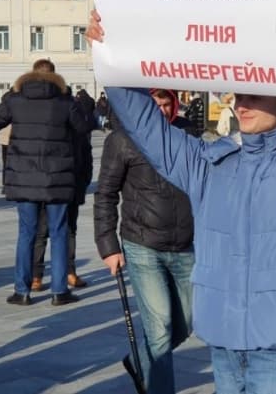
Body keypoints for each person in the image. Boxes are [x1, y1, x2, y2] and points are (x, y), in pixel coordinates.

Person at [86, 0, 276, 392]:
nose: (242, 105)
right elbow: (146, 127)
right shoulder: (209, 163)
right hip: (223, 338)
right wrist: (112, 55)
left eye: (255, 95)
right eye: (239, 96)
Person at [94, 90, 196, 394]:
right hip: (142, 244)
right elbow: (105, 194)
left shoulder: (187, 132)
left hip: (185, 244)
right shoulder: (122, 139)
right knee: (160, 328)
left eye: (167, 104)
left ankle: (140, 360)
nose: (162, 110)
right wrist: (108, 245)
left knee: (188, 322)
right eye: (156, 104)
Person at [0, 58, 91, 306]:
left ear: (31, 74)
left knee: (27, 233)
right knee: (59, 233)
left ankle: (22, 291)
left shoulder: (15, 100)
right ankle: (59, 291)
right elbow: (83, 127)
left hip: (24, 178)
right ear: (55, 76)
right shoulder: (65, 102)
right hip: (57, 177)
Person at [31, 87, 96, 291]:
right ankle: (36, 275)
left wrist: (84, 180)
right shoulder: (47, 128)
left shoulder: (79, 130)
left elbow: (87, 157)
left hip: (72, 185)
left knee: (69, 230)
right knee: (42, 231)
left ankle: (69, 272)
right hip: (49, 187)